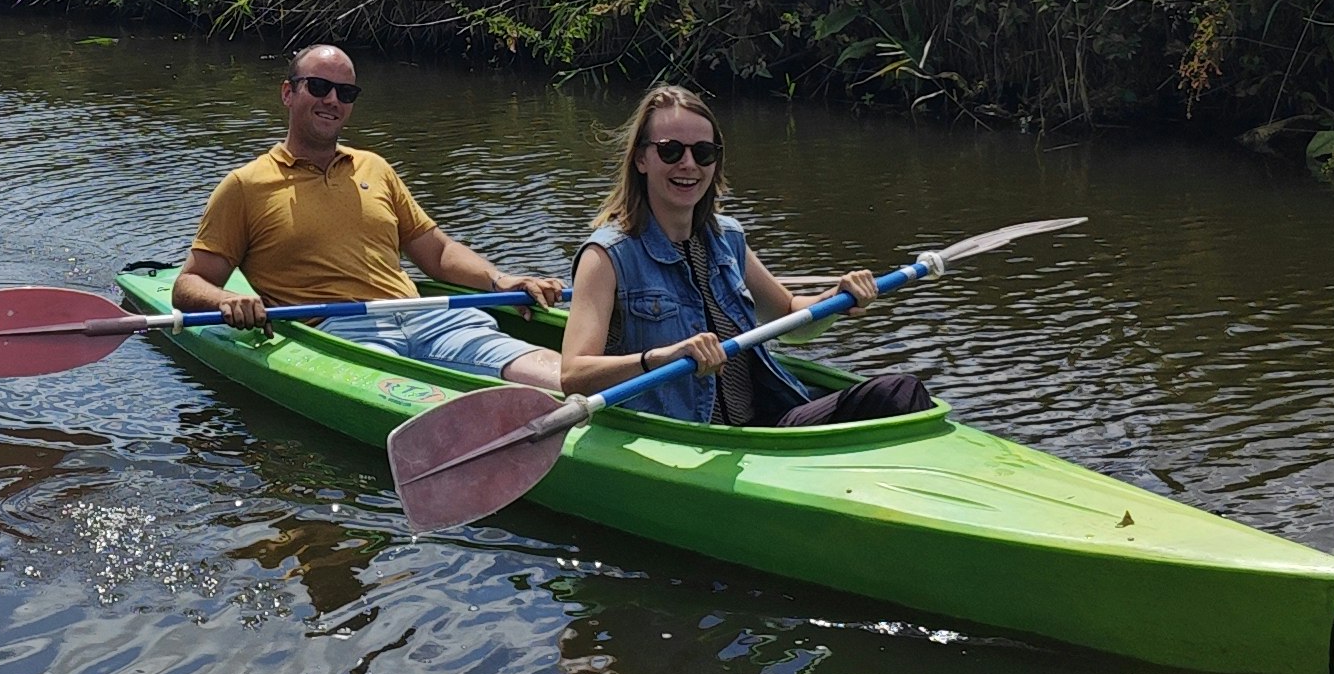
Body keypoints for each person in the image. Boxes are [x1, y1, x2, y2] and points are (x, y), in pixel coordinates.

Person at [172, 44, 580, 388]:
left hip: (425, 316)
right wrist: (226, 298)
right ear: (288, 93)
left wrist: (501, 280)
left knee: (557, 376)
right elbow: (189, 284)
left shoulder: (375, 168)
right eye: (319, 86)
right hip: (340, 334)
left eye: (346, 93)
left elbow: (437, 253)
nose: (332, 100)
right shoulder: (246, 185)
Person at [562, 84, 899, 426]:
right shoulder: (606, 256)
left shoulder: (727, 238)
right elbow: (574, 374)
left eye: (703, 152)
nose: (688, 164)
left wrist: (837, 299)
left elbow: (789, 319)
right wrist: (661, 358)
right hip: (689, 442)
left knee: (898, 392)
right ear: (641, 159)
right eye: (671, 151)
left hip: (762, 427)